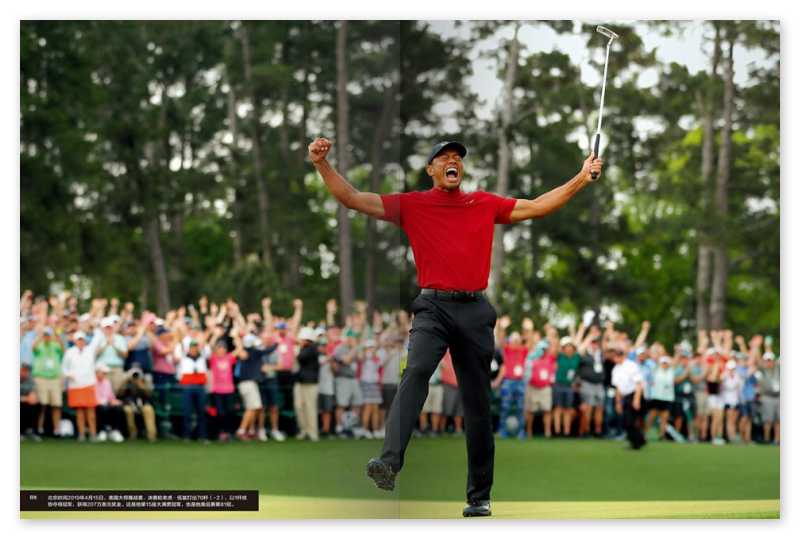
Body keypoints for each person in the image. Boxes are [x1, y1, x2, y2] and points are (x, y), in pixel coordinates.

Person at [309, 136, 602, 516]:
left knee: (477, 402)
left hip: (476, 310)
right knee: (415, 372)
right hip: (433, 308)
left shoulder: (483, 203)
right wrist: (321, 163)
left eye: (458, 158)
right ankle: (389, 463)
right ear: (431, 170)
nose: (453, 161)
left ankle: (479, 497)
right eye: (444, 157)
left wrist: (581, 177)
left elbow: (537, 207)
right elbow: (351, 198)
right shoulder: (412, 204)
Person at [62, 331, 101, 442]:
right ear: (75, 341)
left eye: (82, 339)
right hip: (75, 385)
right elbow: (64, 367)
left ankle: (93, 433)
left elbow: (97, 340)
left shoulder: (90, 350)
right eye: (78, 340)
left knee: (91, 410)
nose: (81, 342)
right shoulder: (70, 352)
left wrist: (95, 328)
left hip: (89, 383)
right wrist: (68, 375)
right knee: (79, 411)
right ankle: (82, 433)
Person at [492, 326, 528, 439]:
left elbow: (529, 341)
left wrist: (528, 329)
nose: (515, 342)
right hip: (508, 381)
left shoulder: (523, 351)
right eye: (513, 340)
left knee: (521, 408)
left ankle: (521, 431)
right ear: (510, 341)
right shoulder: (506, 350)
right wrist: (503, 329)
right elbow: (501, 340)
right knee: (505, 407)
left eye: (517, 340)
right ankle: (502, 430)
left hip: (520, 382)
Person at [174, 336, 211, 444]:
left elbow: (204, 342)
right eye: (192, 347)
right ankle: (187, 435)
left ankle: (202, 436)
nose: (194, 349)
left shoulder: (202, 356)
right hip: (188, 386)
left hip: (199, 386)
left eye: (195, 347)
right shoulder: (184, 357)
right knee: (187, 412)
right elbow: (180, 344)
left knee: (201, 412)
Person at [31, 326, 65, 437]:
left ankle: (57, 430)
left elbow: (64, 351)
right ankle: (40, 429)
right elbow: (33, 347)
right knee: (42, 405)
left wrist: (57, 337)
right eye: (45, 335)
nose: (46, 337)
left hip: (55, 378)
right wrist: (40, 336)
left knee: (56, 405)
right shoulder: (39, 344)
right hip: (41, 378)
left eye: (48, 335)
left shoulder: (55, 345)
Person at [611, 349, 646, 450]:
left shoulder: (631, 366)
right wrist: (618, 402)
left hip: (634, 394)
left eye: (620, 356)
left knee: (629, 420)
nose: (618, 358)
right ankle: (640, 439)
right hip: (626, 396)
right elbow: (618, 388)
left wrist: (636, 399)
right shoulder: (615, 370)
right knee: (626, 420)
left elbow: (639, 383)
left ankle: (636, 442)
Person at [332, 330, 363, 438]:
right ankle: (340, 427)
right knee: (342, 404)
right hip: (343, 379)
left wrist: (357, 347)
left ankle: (352, 426)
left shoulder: (354, 348)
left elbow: (362, 358)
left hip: (354, 379)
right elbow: (346, 360)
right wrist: (354, 348)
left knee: (356, 403)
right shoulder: (340, 348)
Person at [293, 327, 321, 441]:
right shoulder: (305, 348)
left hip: (310, 382)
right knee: (299, 406)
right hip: (301, 381)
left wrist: (298, 348)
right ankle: (304, 430)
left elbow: (300, 358)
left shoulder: (312, 348)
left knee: (310, 407)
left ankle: (312, 432)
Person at [524, 339, 556, 439]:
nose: (544, 351)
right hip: (532, 387)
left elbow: (555, 348)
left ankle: (547, 432)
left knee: (547, 410)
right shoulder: (531, 358)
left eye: (545, 349)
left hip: (545, 387)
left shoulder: (550, 357)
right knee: (530, 410)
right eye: (542, 349)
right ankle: (529, 431)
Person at [576, 335, 606, 438]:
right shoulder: (584, 353)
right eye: (592, 342)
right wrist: (589, 335)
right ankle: (586, 430)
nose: (594, 344)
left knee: (599, 408)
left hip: (599, 384)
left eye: (596, 342)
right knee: (588, 408)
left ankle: (598, 431)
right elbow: (579, 349)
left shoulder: (600, 354)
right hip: (587, 383)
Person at [119, 366, 158, 443]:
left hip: (143, 404)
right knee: (128, 410)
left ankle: (151, 436)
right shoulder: (127, 382)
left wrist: (141, 386)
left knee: (148, 409)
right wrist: (126, 382)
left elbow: (149, 394)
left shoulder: (144, 381)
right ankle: (133, 433)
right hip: (130, 404)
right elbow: (120, 393)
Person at [644, 354, 677, 441]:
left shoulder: (671, 371)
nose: (665, 365)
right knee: (651, 417)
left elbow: (676, 361)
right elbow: (655, 359)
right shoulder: (657, 370)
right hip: (657, 397)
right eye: (663, 363)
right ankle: (644, 434)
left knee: (664, 418)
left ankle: (661, 436)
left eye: (666, 363)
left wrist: (677, 352)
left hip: (667, 398)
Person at [553, 336, 580, 437]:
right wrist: (553, 335)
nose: (569, 349)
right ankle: (557, 431)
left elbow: (581, 346)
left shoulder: (576, 357)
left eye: (571, 347)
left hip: (569, 386)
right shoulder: (560, 356)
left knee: (568, 409)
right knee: (558, 407)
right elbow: (555, 348)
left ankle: (566, 432)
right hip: (559, 384)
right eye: (567, 347)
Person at [94, 317, 129, 393]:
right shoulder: (97, 338)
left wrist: (114, 345)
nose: (108, 329)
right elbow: (94, 355)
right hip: (102, 369)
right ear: (102, 328)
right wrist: (106, 344)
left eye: (110, 327)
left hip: (117, 368)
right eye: (106, 327)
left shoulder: (119, 338)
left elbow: (125, 354)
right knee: (103, 391)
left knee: (116, 391)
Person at [94, 363, 126, 442]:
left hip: (107, 403)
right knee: (102, 408)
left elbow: (111, 397)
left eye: (105, 373)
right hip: (96, 404)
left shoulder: (107, 382)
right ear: (97, 372)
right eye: (103, 373)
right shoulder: (91, 382)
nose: (105, 375)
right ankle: (101, 431)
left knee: (118, 408)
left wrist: (114, 401)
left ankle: (115, 431)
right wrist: (101, 401)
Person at [360, 339, 384, 439]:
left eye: (372, 347)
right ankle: (365, 430)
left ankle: (375, 430)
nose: (371, 349)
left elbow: (380, 363)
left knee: (375, 408)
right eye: (369, 347)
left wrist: (374, 355)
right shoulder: (364, 356)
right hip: (366, 383)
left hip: (374, 384)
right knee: (368, 408)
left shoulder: (376, 358)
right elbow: (362, 358)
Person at [20, 362, 42, 442]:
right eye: (23, 370)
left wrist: (25, 399)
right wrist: (25, 398)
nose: (25, 372)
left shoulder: (30, 378)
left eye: (27, 370)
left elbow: (33, 396)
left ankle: (30, 431)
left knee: (37, 405)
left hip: (25, 400)